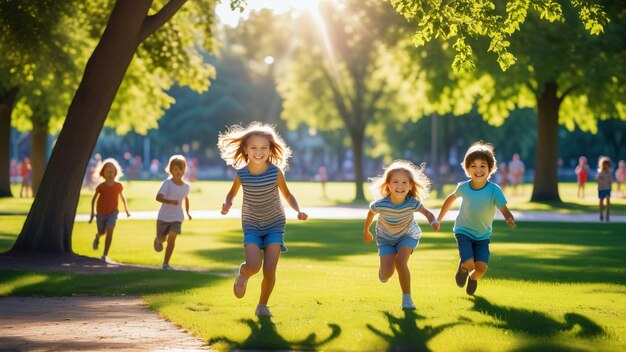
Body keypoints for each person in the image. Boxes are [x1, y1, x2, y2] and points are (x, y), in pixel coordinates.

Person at [218, 122, 308, 317]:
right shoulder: (242, 174)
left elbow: (288, 195)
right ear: (245, 150)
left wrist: (298, 210)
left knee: (269, 271)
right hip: (251, 226)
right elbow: (231, 194)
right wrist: (227, 203)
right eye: (254, 147)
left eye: (263, 148)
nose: (258, 152)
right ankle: (243, 274)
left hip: (275, 225)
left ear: (270, 150)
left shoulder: (275, 172)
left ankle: (262, 305)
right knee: (253, 266)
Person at [437, 141, 516, 296]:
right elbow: (450, 199)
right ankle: (463, 267)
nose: (478, 170)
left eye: (482, 166)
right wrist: (438, 219)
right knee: (469, 262)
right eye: (473, 166)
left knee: (480, 269)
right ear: (467, 169)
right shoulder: (463, 187)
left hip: (483, 236)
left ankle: (472, 278)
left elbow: (504, 210)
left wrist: (509, 218)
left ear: (490, 169)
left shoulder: (494, 190)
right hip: (463, 231)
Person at [363, 160, 440, 309]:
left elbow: (428, 213)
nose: (400, 186)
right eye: (395, 182)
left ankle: (407, 299)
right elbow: (370, 214)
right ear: (388, 185)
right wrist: (366, 231)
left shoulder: (412, 202)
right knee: (387, 272)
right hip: (385, 239)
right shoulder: (381, 204)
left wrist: (433, 221)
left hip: (408, 235)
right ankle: (383, 270)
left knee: (401, 262)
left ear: (410, 185)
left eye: (405, 182)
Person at [154, 155, 192, 270]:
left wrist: (188, 212)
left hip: (177, 218)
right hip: (163, 217)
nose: (178, 171)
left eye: (180, 169)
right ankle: (158, 239)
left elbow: (186, 198)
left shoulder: (186, 186)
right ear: (170, 170)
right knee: (162, 239)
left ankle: (166, 263)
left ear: (184, 170)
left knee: (171, 239)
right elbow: (158, 197)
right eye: (175, 169)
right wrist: (169, 201)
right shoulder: (167, 183)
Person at [89, 159, 131, 262]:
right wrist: (92, 213)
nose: (110, 174)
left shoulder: (118, 186)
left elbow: (123, 198)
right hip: (101, 214)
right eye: (108, 172)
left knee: (110, 229)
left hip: (112, 213)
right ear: (103, 173)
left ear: (115, 173)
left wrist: (127, 210)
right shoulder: (101, 187)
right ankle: (97, 236)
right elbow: (94, 199)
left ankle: (105, 255)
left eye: (112, 172)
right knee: (102, 232)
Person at [596, 156, 612, 221]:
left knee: (608, 201)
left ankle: (607, 215)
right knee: (601, 201)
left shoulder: (609, 172)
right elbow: (597, 179)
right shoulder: (600, 172)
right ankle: (601, 214)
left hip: (607, 188)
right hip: (601, 189)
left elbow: (610, 180)